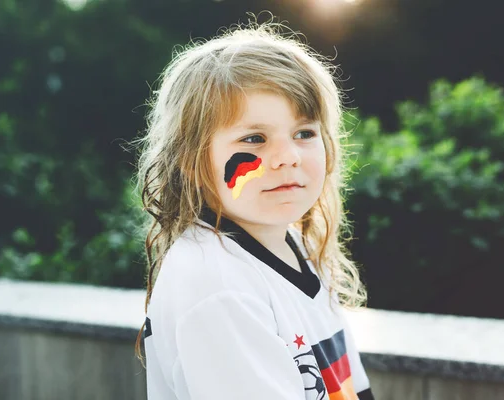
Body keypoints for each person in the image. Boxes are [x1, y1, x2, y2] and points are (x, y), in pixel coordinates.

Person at [133, 17, 374, 400]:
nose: (288, 156)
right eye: (254, 139)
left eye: (304, 133)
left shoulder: (291, 242)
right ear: (192, 161)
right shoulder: (218, 289)